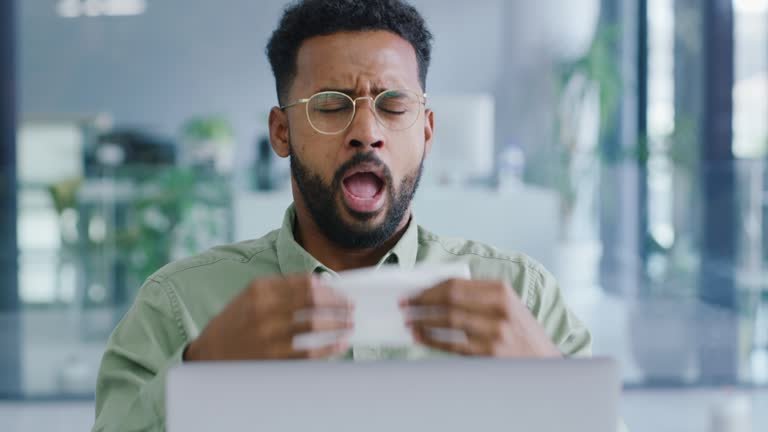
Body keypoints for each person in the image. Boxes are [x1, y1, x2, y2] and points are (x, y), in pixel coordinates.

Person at [92, 1, 591, 430]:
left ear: (427, 130)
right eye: (331, 105)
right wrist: (202, 372)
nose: (367, 131)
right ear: (282, 131)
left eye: (394, 104)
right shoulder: (177, 308)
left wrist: (547, 381)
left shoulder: (523, 299)